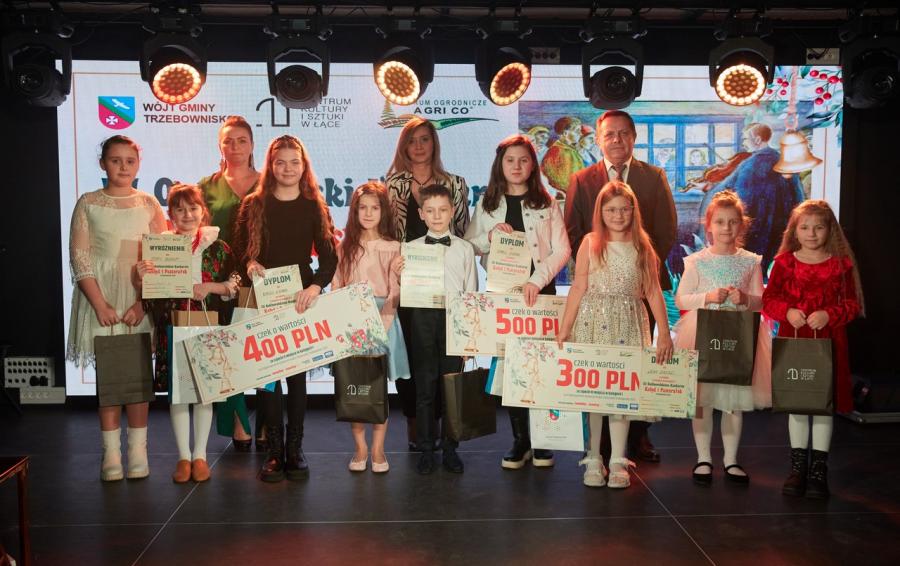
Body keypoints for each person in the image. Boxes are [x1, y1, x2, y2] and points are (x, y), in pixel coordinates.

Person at [564, 109, 677, 463]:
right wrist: (601, 264)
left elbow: (666, 229)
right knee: (597, 375)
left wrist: (636, 269)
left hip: (637, 291)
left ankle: (637, 439)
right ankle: (598, 448)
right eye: (609, 134)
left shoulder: (653, 176)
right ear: (599, 139)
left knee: (634, 367)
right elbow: (572, 230)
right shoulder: (582, 179)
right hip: (596, 295)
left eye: (623, 133)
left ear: (633, 138)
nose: (616, 139)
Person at [233, 135, 338, 482]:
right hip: (263, 299)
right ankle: (274, 452)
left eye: (295, 162)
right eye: (281, 162)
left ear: (304, 166)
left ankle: (295, 450)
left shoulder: (314, 206)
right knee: (267, 379)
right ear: (270, 165)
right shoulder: (254, 204)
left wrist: (315, 287)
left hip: (299, 300)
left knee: (296, 378)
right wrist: (250, 263)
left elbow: (329, 258)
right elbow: (240, 251)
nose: (288, 168)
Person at [556, 181, 673, 489]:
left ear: (633, 211)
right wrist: (565, 327)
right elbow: (578, 287)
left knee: (622, 393)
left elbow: (653, 290)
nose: (618, 216)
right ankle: (594, 456)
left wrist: (664, 333)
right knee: (594, 394)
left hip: (628, 323)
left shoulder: (642, 246)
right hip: (593, 323)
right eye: (611, 210)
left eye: (624, 209)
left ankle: (618, 458)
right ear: (600, 212)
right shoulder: (590, 243)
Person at [464, 134, 571, 469]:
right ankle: (520, 440)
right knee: (512, 369)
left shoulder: (546, 203)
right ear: (500, 164)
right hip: (504, 296)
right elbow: (469, 246)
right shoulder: (487, 204)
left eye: (523, 160)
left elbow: (563, 249)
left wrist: (537, 281)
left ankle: (542, 440)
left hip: (540, 296)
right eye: (510, 160)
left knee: (539, 366)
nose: (516, 166)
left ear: (533, 165)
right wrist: (490, 236)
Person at [67, 135, 166, 481]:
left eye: (129, 161)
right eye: (115, 160)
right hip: (103, 296)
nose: (123, 167)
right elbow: (80, 257)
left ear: (138, 164)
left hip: (139, 296)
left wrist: (143, 303)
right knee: (109, 378)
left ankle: (138, 450)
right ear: (103, 163)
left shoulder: (149, 203)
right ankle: (110, 453)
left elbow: (162, 259)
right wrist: (99, 303)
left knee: (138, 378)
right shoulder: (88, 203)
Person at [136, 183, 239, 483]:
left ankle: (200, 456)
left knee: (204, 393)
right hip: (173, 327)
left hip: (207, 325)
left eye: (193, 208)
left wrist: (212, 287)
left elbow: (235, 282)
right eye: (179, 210)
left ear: (203, 211)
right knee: (178, 394)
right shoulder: (160, 248)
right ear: (170, 215)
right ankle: (183, 457)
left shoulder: (219, 247)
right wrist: (143, 278)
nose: (187, 215)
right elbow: (151, 297)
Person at [763, 200, 863, 499]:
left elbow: (852, 304)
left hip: (829, 343)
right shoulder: (785, 263)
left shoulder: (840, 265)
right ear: (794, 231)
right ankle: (798, 468)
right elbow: (769, 300)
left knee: (822, 405)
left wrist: (830, 315)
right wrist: (787, 311)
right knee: (798, 404)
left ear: (830, 230)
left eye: (818, 227)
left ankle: (819, 470)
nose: (811, 233)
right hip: (795, 340)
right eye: (805, 227)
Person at [673, 191, 771, 486]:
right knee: (702, 398)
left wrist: (746, 299)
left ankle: (731, 459)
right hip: (703, 334)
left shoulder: (750, 261)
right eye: (720, 222)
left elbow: (761, 301)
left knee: (733, 399)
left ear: (742, 225)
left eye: (732, 222)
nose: (726, 228)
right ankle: (704, 457)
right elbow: (682, 298)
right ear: (709, 225)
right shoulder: (697, 261)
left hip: (736, 335)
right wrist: (708, 297)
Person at [385, 116, 470, 451]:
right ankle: (418, 428)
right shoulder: (393, 184)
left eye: (424, 139)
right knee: (412, 362)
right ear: (403, 146)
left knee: (446, 364)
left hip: (446, 288)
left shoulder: (456, 184)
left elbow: (462, 232)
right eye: (412, 140)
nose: (418, 146)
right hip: (410, 285)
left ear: (434, 143)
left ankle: (444, 431)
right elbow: (387, 234)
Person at [398, 184, 478, 475]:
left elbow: (471, 293)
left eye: (442, 210)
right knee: (425, 389)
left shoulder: (464, 249)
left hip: (454, 320)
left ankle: (450, 449)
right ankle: (426, 449)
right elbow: (404, 291)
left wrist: (469, 338)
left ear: (452, 211)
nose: (436, 216)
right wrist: (398, 273)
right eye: (430, 210)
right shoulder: (410, 249)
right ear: (421, 214)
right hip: (422, 319)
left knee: (451, 389)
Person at [331, 181, 410, 473]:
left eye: (374, 208)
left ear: (383, 211)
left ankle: (378, 448)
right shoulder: (344, 247)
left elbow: (395, 291)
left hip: (383, 319)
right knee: (354, 385)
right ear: (354, 212)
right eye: (362, 208)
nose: (368, 213)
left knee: (377, 388)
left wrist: (382, 324)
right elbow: (336, 286)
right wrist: (345, 321)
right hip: (352, 320)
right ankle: (360, 447)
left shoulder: (394, 247)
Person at [198, 116, 261, 453]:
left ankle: (268, 422)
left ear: (252, 145)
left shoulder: (268, 182)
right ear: (219, 146)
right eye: (228, 141)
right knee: (226, 351)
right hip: (218, 280)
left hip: (259, 278)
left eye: (241, 140)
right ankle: (238, 422)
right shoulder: (206, 187)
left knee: (263, 349)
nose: (235, 147)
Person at [700, 123, 804, 272]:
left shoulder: (750, 164)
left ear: (757, 139)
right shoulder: (783, 161)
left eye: (745, 139)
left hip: (755, 231)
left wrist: (709, 188)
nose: (743, 143)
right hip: (780, 232)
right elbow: (798, 197)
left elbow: (733, 195)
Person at [541, 116, 583, 193]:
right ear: (565, 133)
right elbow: (554, 179)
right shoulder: (555, 151)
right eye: (577, 131)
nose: (580, 134)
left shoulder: (572, 150)